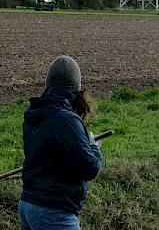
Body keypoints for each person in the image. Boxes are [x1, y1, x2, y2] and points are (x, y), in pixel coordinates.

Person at [19, 56, 103, 230]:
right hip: (54, 213)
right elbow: (90, 168)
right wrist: (94, 148)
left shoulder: (34, 112)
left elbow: (52, 157)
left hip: (27, 206)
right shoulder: (66, 120)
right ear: (76, 86)